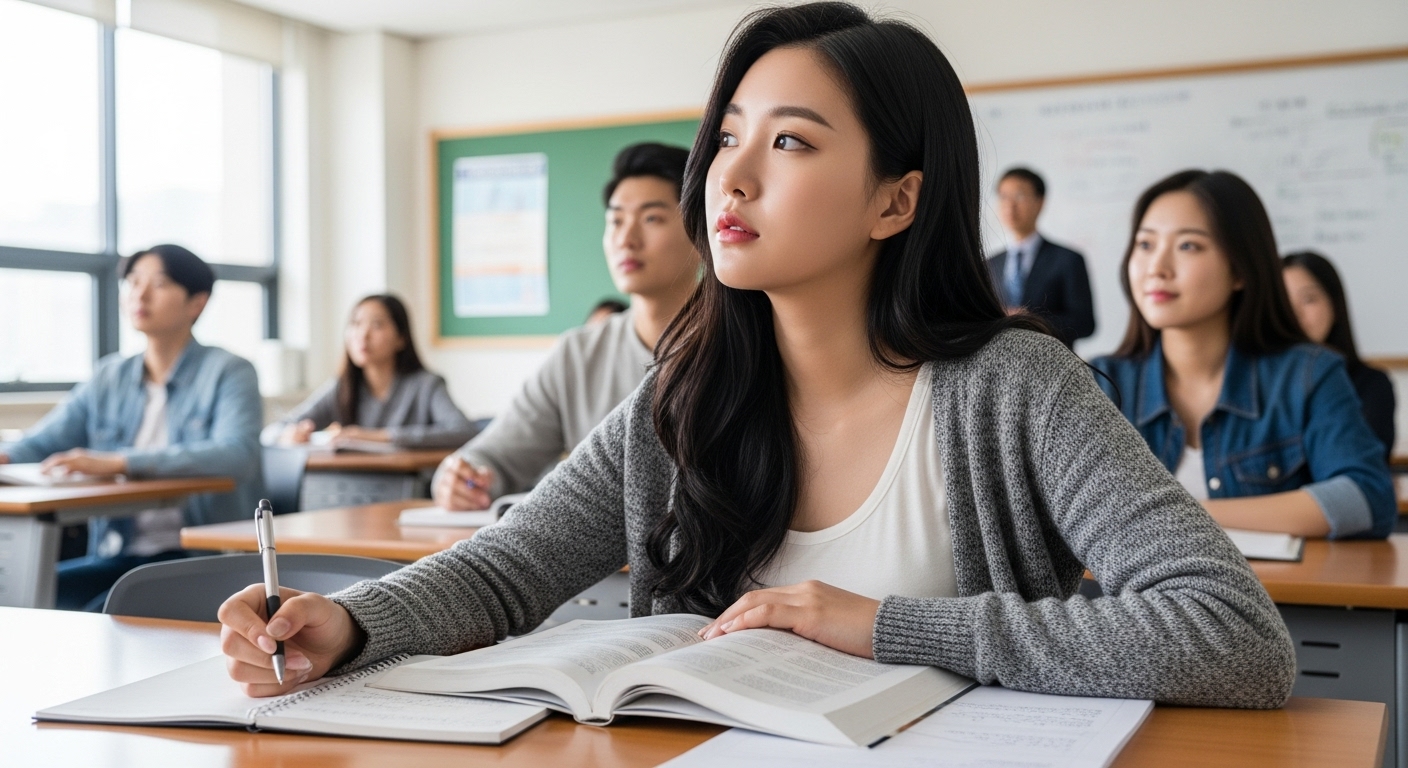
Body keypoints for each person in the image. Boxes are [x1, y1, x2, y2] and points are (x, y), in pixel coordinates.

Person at [218, 2, 1294, 711]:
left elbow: (1234, 633)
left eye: (789, 141)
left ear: (895, 201)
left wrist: (884, 627)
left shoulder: (1012, 387)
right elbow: (511, 566)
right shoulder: (683, 395)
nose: (728, 178)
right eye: (728, 135)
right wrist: (352, 623)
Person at [1093, 171, 1395, 540]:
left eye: (1188, 246)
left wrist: (1181, 513)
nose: (1157, 268)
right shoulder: (1098, 384)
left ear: (1239, 269)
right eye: (1145, 244)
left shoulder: (1308, 373)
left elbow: (1366, 497)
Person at [431, 142, 701, 510]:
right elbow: (493, 455)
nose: (626, 239)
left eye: (651, 218)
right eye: (616, 221)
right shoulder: (578, 354)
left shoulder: (744, 343)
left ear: (700, 231)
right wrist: (458, 479)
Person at [0, 244, 263, 611]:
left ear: (197, 302)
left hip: (196, 557)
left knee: (91, 616)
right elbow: (45, 441)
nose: (140, 294)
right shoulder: (110, 375)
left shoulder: (229, 371)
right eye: (133, 282)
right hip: (117, 552)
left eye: (159, 283)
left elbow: (238, 454)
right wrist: (7, 456)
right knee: (19, 594)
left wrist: (119, 462)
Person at [262, 294, 475, 450]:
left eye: (377, 325)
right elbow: (270, 433)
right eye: (355, 324)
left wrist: (376, 437)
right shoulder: (342, 387)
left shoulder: (426, 385)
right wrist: (287, 435)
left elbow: (462, 431)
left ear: (401, 338)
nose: (363, 335)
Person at [1282, 251, 1396, 460]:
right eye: (1283, 301)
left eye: (1308, 299)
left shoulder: (1371, 385)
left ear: (1335, 305)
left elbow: (1365, 466)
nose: (1294, 313)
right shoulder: (1256, 384)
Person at [985, 167, 1095, 348]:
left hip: (1054, 361)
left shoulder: (1068, 259)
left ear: (1040, 202)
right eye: (1003, 197)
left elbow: (1085, 323)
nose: (1010, 205)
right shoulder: (990, 264)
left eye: (1019, 196)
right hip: (1000, 361)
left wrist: (1031, 319)